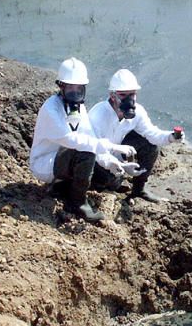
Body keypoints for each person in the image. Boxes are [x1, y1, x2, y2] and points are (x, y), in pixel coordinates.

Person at [29, 57, 138, 222]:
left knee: (107, 177)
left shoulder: (79, 108)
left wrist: (110, 161)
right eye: (70, 87)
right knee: (85, 152)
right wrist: (109, 146)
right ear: (61, 86)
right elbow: (70, 140)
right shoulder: (51, 109)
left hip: (63, 159)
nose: (75, 92)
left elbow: (89, 137)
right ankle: (77, 203)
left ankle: (62, 188)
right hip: (45, 163)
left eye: (79, 88)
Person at [89, 68, 184, 203]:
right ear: (112, 95)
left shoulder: (138, 112)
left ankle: (139, 189)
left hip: (118, 153)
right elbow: (93, 148)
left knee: (151, 146)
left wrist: (171, 137)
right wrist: (118, 165)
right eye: (123, 95)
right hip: (98, 159)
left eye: (132, 94)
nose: (129, 99)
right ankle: (100, 187)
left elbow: (152, 134)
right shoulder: (98, 115)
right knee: (110, 180)